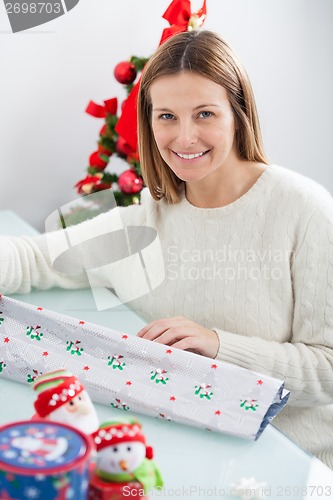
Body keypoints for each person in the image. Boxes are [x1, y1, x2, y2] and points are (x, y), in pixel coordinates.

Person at [1, 30, 332, 469]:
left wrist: (217, 347)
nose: (185, 137)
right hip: (186, 448)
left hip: (291, 461)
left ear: (238, 114)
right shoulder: (149, 216)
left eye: (205, 113)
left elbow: (326, 370)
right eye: (167, 116)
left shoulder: (305, 211)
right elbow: (36, 259)